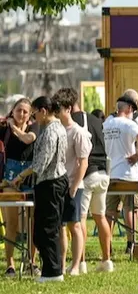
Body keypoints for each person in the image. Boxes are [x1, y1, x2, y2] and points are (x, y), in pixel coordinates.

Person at [3, 97, 68, 282]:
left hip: (50, 182)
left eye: (34, 112)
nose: (32, 117)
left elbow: (40, 164)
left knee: (47, 230)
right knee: (47, 229)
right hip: (52, 182)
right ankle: (52, 270)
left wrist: (20, 176)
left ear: (43, 111)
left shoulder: (49, 132)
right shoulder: (56, 128)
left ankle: (52, 272)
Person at [69, 90, 110, 274]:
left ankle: (82, 262)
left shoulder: (73, 122)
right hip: (103, 173)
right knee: (101, 217)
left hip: (87, 173)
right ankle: (106, 260)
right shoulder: (96, 120)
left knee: (81, 219)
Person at [102, 94, 138, 257]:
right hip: (127, 174)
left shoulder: (106, 123)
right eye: (133, 109)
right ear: (128, 108)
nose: (133, 112)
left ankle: (107, 244)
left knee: (109, 212)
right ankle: (131, 244)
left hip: (110, 174)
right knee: (130, 210)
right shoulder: (129, 124)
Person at [53, 89, 90, 277]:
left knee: (74, 225)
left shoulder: (78, 132)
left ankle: (76, 265)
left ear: (68, 109)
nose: (55, 113)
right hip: (58, 184)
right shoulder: (56, 129)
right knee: (59, 226)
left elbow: (84, 161)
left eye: (58, 109)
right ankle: (60, 264)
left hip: (74, 185)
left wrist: (75, 185)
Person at [2, 98, 36, 277]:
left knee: (32, 223)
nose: (21, 114)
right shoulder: (4, 129)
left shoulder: (34, 128)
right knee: (12, 223)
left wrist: (12, 127)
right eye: (18, 110)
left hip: (29, 179)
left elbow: (28, 140)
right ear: (12, 111)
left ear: (30, 113)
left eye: (25, 111)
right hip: (9, 180)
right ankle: (10, 263)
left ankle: (32, 260)